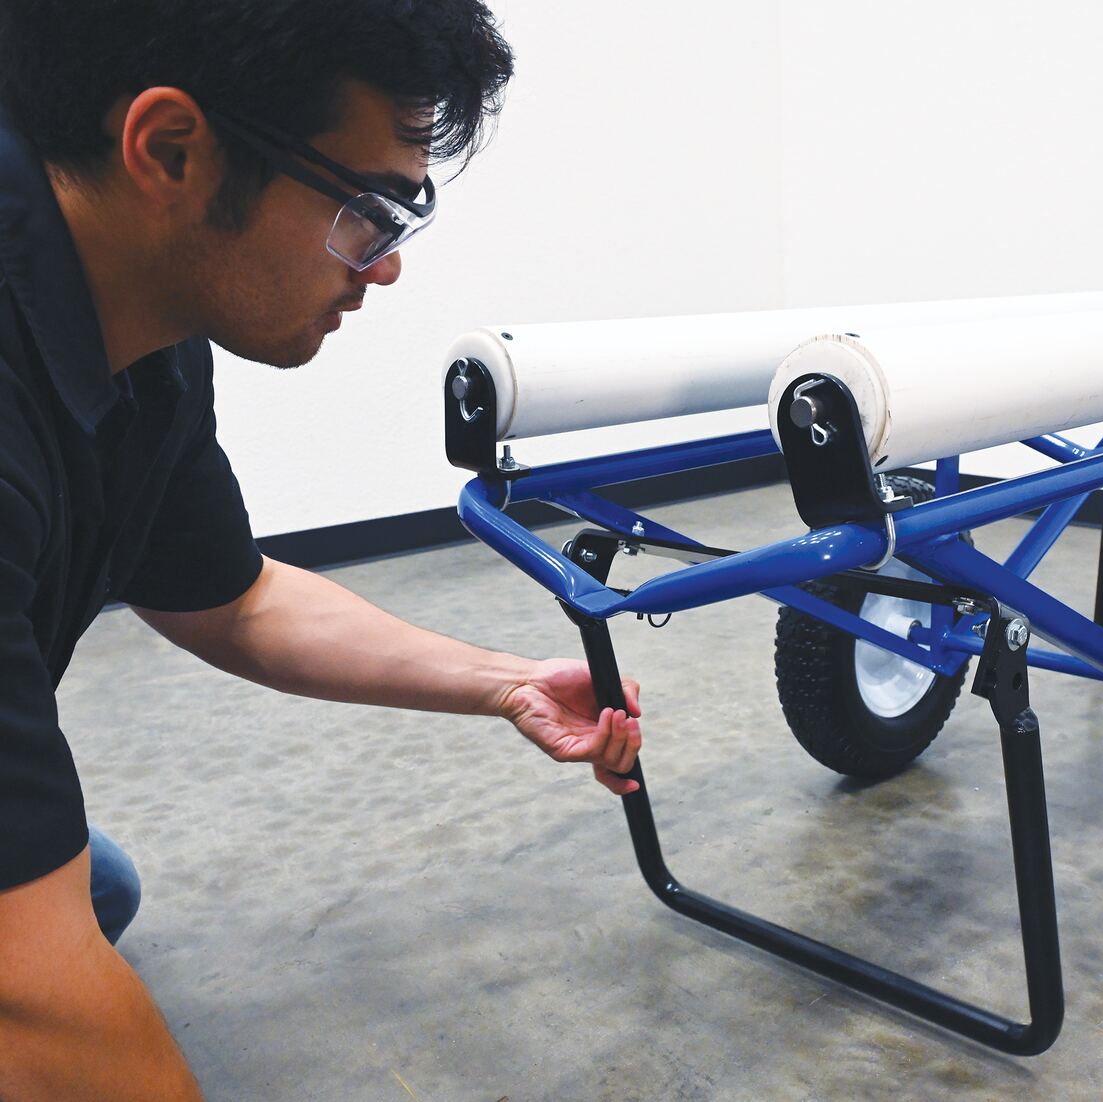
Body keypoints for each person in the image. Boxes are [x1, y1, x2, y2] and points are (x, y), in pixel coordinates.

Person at [0, 3, 643, 1096]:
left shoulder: (142, 329)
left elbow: (233, 599)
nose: (382, 269)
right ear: (170, 148)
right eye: (364, 209)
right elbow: (37, 1000)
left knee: (93, 891)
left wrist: (505, 684)